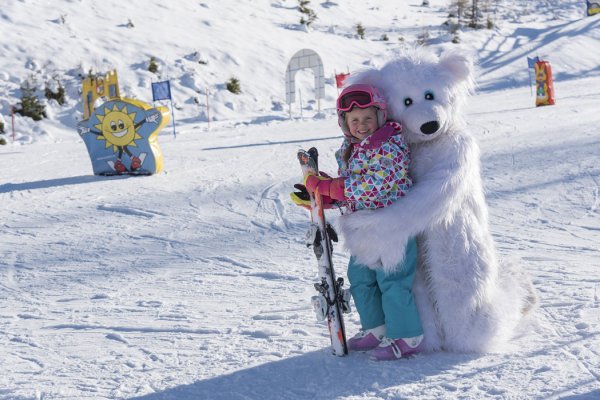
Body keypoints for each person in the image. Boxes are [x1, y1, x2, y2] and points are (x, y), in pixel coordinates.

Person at [292, 84, 423, 361]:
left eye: (367, 118)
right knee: (361, 279)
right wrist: (325, 194)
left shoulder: (390, 144)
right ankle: (375, 328)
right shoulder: (351, 148)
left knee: (392, 283)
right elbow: (353, 191)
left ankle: (407, 335)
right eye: (354, 121)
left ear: (380, 117)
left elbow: (374, 185)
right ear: (345, 124)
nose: (362, 125)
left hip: (391, 227)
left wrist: (333, 188)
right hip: (363, 228)